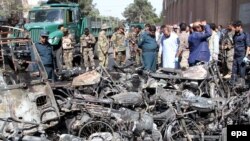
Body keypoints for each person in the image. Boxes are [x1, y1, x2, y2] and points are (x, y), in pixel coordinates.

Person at [230, 20, 250, 86]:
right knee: (234, 71)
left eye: (235, 27)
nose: (234, 29)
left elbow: (248, 46)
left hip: (242, 56)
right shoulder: (235, 35)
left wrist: (246, 56)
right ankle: (233, 85)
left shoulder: (245, 35)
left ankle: (242, 86)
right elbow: (234, 44)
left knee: (242, 72)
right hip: (235, 56)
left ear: (239, 27)